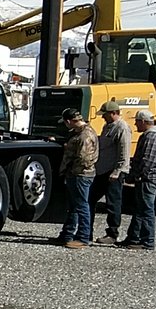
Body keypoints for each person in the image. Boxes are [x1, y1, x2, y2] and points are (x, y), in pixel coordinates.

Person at [121, 110, 156, 250]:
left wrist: (136, 175)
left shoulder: (153, 137)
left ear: (143, 121)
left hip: (148, 178)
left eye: (137, 121)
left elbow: (148, 160)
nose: (135, 124)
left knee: (146, 210)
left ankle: (147, 241)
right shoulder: (151, 135)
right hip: (147, 177)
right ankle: (133, 238)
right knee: (139, 208)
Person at [54, 107, 97, 249]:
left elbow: (84, 158)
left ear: (69, 121)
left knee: (82, 206)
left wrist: (70, 170)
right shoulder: (79, 133)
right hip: (78, 174)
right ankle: (67, 234)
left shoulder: (85, 136)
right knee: (74, 206)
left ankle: (83, 237)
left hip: (80, 175)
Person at [93, 101, 131, 244]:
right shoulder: (107, 127)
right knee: (90, 199)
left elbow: (124, 153)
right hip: (102, 170)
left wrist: (117, 171)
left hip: (114, 173)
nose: (103, 117)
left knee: (113, 203)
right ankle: (86, 230)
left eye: (105, 114)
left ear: (114, 113)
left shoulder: (122, 128)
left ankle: (113, 234)